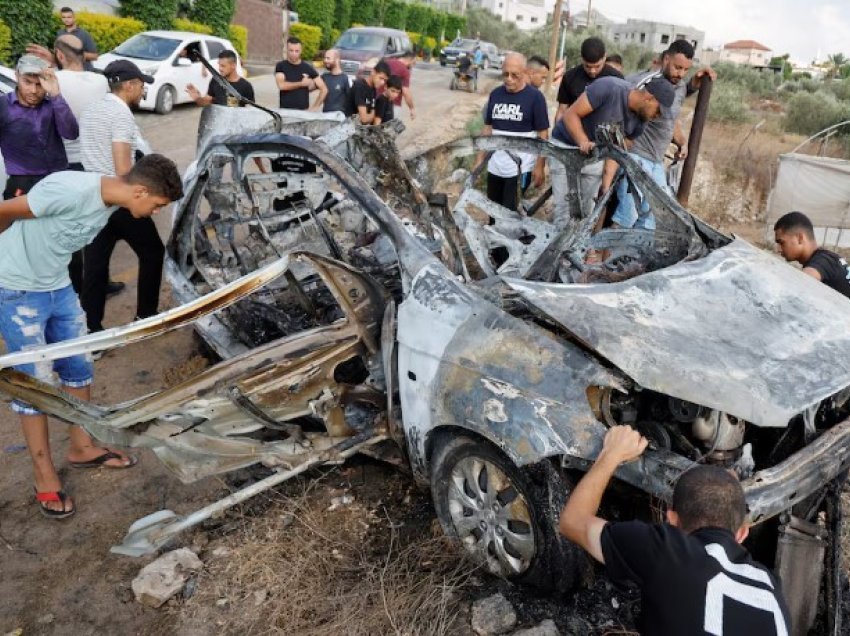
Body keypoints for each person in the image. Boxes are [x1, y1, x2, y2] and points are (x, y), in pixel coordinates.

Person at [0, 154, 183, 518]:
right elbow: (5, 210)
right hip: (18, 291)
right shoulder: (68, 190)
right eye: (158, 205)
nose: (157, 212)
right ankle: (44, 475)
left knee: (79, 369)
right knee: (34, 386)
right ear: (141, 191)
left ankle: (81, 447)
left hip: (59, 288)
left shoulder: (111, 200)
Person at [560, 426, 791, 635]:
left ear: (671, 520)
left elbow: (573, 520)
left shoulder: (665, 553)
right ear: (742, 532)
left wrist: (612, 454)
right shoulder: (771, 587)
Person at [79, 60, 165, 334]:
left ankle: (91, 332)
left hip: (94, 198)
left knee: (94, 267)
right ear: (129, 85)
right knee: (152, 251)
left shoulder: (91, 110)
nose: (142, 92)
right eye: (140, 86)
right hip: (120, 201)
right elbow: (123, 168)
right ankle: (146, 319)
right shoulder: (121, 115)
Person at [611, 40, 715, 230]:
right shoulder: (646, 82)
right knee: (629, 212)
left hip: (656, 161)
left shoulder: (681, 86)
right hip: (636, 155)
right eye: (677, 67)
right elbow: (620, 100)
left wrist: (682, 142)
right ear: (666, 58)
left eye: (685, 70)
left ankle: (631, 257)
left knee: (656, 213)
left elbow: (670, 119)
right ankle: (605, 253)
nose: (680, 74)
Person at [552, 75, 674, 226]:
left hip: (594, 157)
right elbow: (570, 115)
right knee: (564, 211)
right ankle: (556, 246)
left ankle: (574, 249)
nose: (657, 117)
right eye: (658, 111)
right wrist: (582, 141)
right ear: (649, 98)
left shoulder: (641, 122)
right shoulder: (609, 88)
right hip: (565, 147)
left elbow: (617, 150)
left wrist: (606, 183)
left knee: (585, 213)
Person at [477, 53, 549, 212]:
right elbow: (487, 128)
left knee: (509, 212)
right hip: (495, 165)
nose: (509, 79)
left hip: (520, 169)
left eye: (515, 75)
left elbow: (543, 134)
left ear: (525, 73)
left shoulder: (536, 98)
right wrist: (479, 159)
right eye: (505, 74)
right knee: (493, 211)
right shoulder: (495, 94)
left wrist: (539, 166)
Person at [0, 55, 77, 201]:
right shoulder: (3, 106)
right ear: (17, 76)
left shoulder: (53, 104)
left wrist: (55, 94)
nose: (34, 90)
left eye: (39, 84)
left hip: (58, 178)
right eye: (27, 82)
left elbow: (71, 133)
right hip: (22, 182)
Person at [774, 211, 850, 299]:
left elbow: (797, 289)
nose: (778, 249)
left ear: (800, 238)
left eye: (781, 243)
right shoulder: (828, 258)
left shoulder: (822, 261)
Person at [186, 49, 254, 107]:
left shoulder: (246, 86)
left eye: (223, 66)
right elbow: (206, 102)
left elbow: (251, 112)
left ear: (233, 65)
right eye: (219, 65)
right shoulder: (215, 81)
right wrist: (198, 98)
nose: (220, 68)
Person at [275, 37, 326, 111]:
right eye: (291, 50)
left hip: (303, 111)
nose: (294, 53)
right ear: (286, 50)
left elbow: (324, 88)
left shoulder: (307, 67)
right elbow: (282, 85)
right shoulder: (281, 66)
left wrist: (315, 107)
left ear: (301, 50)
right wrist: (301, 84)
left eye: (297, 51)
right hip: (285, 111)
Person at [345, 60, 390, 124]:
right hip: (349, 128)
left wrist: (369, 116)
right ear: (373, 72)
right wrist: (369, 116)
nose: (382, 82)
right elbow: (364, 119)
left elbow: (372, 116)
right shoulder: (360, 86)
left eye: (385, 80)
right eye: (381, 78)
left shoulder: (373, 89)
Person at [57, 6, 98, 71]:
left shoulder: (84, 34)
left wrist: (77, 54)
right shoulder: (60, 33)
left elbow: (95, 56)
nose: (66, 19)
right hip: (65, 70)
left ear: (74, 18)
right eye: (63, 17)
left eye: (69, 17)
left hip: (83, 71)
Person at [380, 50, 416, 119]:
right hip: (393, 104)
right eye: (413, 63)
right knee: (390, 127)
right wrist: (412, 108)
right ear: (410, 60)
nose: (413, 66)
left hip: (378, 99)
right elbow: (405, 91)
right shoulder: (405, 71)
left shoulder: (387, 62)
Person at [314, 49, 351, 114]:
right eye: (325, 58)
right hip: (325, 117)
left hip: (339, 117)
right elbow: (310, 86)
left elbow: (350, 100)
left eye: (328, 58)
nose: (325, 60)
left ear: (337, 60)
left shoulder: (345, 78)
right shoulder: (324, 77)